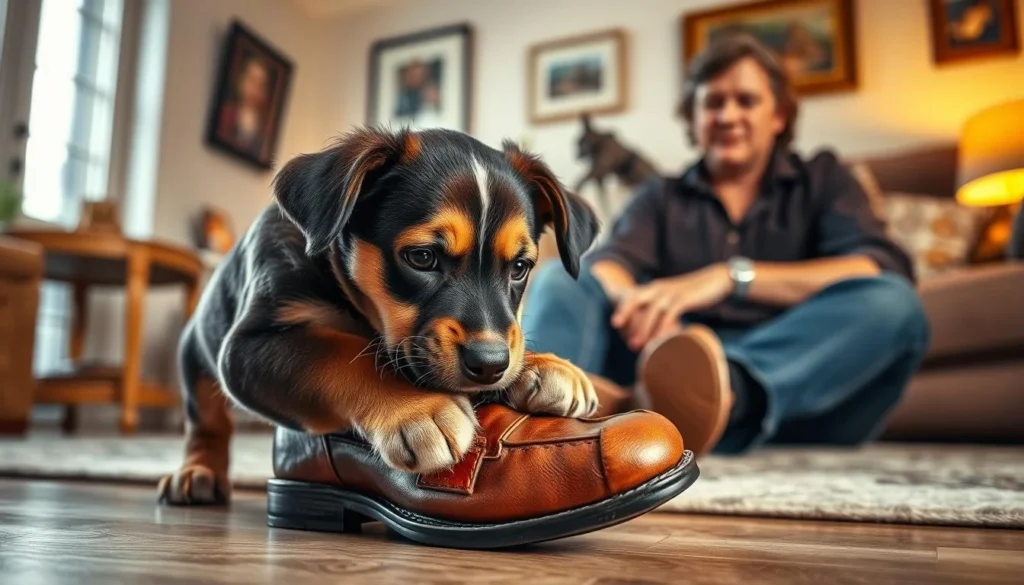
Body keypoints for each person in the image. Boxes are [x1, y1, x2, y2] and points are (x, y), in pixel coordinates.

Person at [521, 34, 930, 457]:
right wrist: (642, 307)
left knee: (895, 305)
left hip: (798, 390)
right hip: (661, 364)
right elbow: (609, 264)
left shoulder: (825, 179)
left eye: (746, 101)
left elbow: (876, 266)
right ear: (694, 120)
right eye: (713, 103)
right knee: (563, 276)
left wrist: (729, 278)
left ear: (779, 117)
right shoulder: (661, 195)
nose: (728, 115)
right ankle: (538, 423)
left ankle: (720, 393)